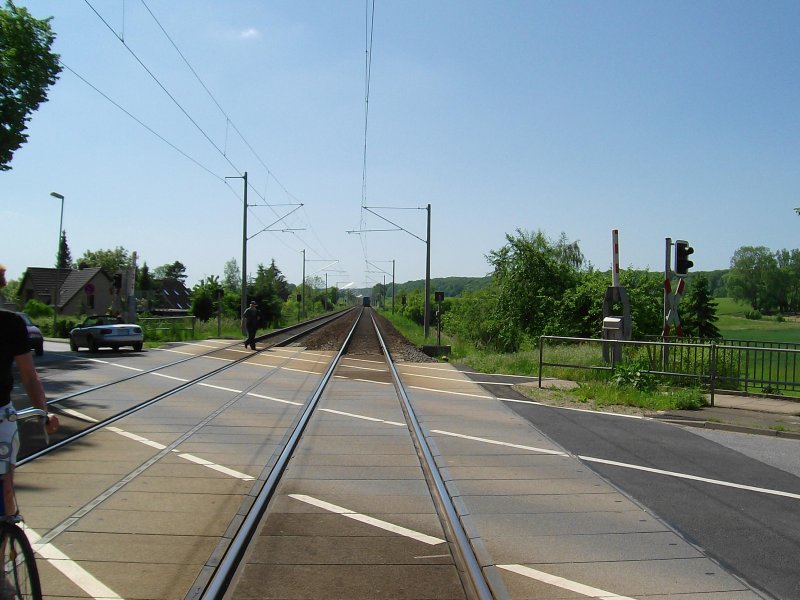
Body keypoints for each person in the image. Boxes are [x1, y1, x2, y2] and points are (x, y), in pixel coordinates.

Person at [0, 265, 59, 516]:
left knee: (5, 487)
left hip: (1, 414)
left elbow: (29, 376)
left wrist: (43, 413)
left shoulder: (10, 324)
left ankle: (6, 541)